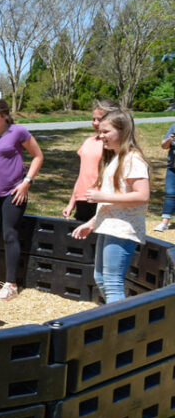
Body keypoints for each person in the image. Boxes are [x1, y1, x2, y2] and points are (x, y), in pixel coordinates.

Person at [73, 109, 150, 304]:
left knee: (112, 282)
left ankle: (119, 329)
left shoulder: (133, 158)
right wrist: (92, 222)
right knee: (101, 279)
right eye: (100, 131)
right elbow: (111, 202)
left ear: (122, 131)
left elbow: (142, 195)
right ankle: (111, 321)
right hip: (109, 226)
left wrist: (101, 196)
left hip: (123, 229)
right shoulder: (115, 158)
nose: (101, 136)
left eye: (106, 132)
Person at [0, 99, 44, 301]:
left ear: (5, 115)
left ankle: (11, 284)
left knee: (10, 235)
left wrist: (26, 182)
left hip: (14, 190)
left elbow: (38, 156)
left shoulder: (18, 132)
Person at [64, 99, 121, 224]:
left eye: (99, 119)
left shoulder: (112, 146)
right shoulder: (89, 142)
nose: (95, 123)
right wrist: (71, 202)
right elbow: (82, 175)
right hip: (83, 199)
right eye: (93, 119)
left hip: (102, 200)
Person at [154, 120, 175, 231]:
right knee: (170, 194)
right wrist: (169, 139)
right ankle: (165, 223)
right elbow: (164, 146)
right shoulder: (173, 127)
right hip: (172, 166)